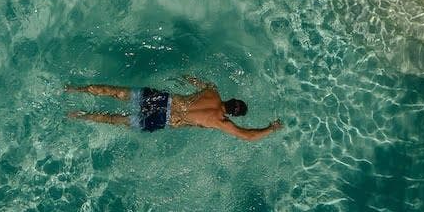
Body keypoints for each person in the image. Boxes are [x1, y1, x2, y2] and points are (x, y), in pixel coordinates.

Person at [65, 76, 283, 140]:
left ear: (231, 98)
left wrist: (183, 78)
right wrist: (270, 128)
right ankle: (79, 115)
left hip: (163, 100)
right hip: (164, 120)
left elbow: (190, 78)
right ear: (233, 114)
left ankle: (75, 89)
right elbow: (249, 136)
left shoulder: (212, 91)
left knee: (116, 92)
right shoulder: (221, 122)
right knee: (116, 120)